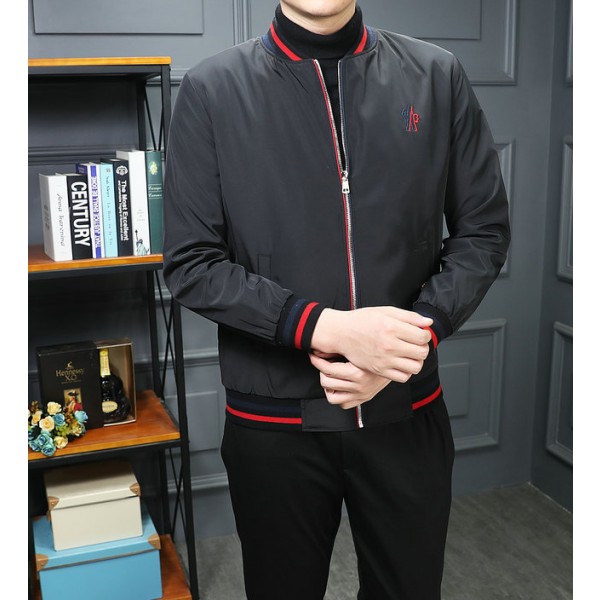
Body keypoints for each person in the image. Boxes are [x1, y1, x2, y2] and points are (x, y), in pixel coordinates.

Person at [162, 1, 510, 598]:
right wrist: (328, 329)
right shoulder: (211, 90)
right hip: (274, 428)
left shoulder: (436, 75)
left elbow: (483, 231)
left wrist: (404, 345)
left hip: (406, 414)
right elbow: (192, 264)